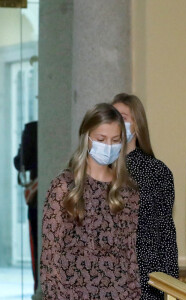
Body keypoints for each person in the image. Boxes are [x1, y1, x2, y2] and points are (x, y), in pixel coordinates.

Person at [40, 103, 141, 299]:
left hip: (118, 294)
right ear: (87, 138)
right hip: (70, 294)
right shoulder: (63, 187)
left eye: (115, 140)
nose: (109, 146)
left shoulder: (127, 191)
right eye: (101, 139)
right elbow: (50, 257)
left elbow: (131, 258)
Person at [112, 93, 179, 299]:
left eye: (122, 117)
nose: (115, 122)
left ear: (137, 125)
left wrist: (170, 286)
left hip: (144, 278)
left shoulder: (156, 171)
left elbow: (165, 230)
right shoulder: (97, 169)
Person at [14, 120, 38, 292]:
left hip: (39, 198)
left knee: (38, 247)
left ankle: (40, 289)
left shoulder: (33, 128)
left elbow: (21, 162)